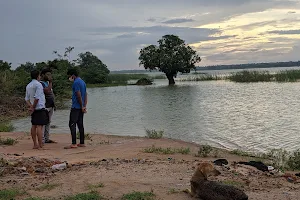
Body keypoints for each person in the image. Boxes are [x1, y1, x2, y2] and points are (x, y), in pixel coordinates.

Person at [25, 70, 49, 149]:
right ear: (38, 76)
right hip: (39, 107)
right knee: (39, 126)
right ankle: (40, 144)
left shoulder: (28, 85)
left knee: (34, 125)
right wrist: (33, 107)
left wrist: (31, 107)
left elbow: (26, 99)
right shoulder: (38, 85)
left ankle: (35, 144)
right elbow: (37, 98)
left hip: (34, 108)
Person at [65, 68, 87, 149]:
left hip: (76, 107)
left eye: (69, 76)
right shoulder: (83, 82)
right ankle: (82, 142)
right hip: (81, 107)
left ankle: (74, 143)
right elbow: (86, 95)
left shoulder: (76, 82)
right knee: (80, 124)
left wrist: (81, 106)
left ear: (73, 75)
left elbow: (78, 95)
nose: (69, 78)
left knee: (72, 124)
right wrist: (84, 106)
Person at [40, 68, 56, 144]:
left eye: (50, 74)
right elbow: (47, 91)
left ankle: (47, 138)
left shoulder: (47, 83)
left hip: (50, 105)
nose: (49, 76)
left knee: (48, 122)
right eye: (48, 74)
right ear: (43, 75)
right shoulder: (41, 83)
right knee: (43, 123)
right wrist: (50, 82)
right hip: (45, 106)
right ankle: (42, 140)